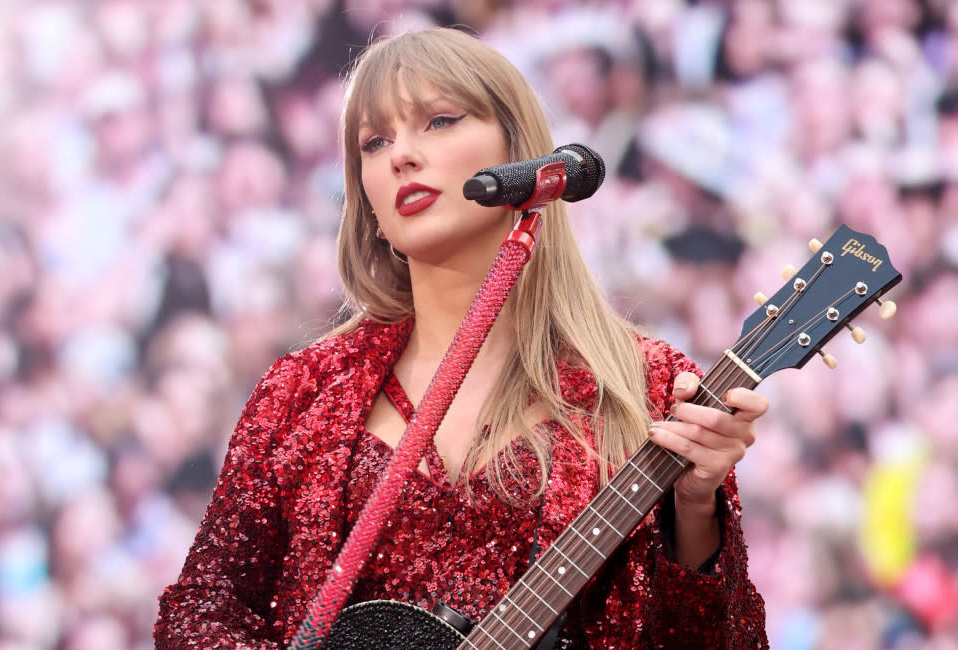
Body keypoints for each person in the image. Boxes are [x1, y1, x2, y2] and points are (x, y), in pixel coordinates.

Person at [154, 27, 769, 649]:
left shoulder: (649, 386)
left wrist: (695, 512)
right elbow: (201, 611)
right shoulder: (302, 392)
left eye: (440, 121)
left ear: (523, 154)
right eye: (374, 141)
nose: (401, 155)